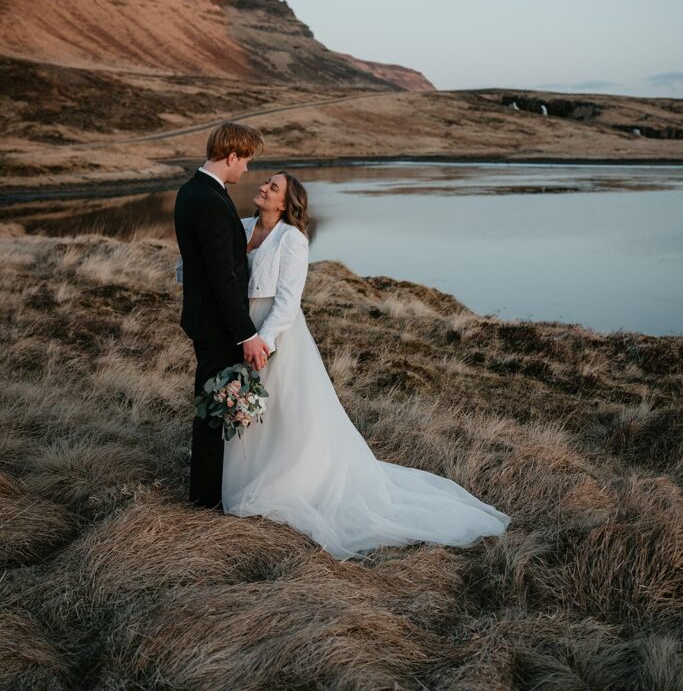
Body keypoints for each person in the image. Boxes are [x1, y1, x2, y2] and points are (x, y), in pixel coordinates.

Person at [221, 171, 512, 560]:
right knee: (248, 406)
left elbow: (288, 302)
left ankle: (293, 480)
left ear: (286, 204)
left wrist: (265, 343)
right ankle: (245, 472)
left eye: (273, 187)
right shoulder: (242, 227)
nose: (263, 188)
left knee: (285, 409)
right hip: (242, 329)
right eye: (267, 183)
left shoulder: (293, 240)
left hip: (277, 336)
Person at [174, 121, 270, 509]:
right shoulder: (211, 200)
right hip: (217, 326)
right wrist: (246, 334)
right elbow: (221, 278)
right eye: (245, 161)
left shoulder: (191, 191)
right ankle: (205, 500)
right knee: (214, 409)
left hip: (204, 319)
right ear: (231, 156)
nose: (246, 170)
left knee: (213, 404)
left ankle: (210, 489)